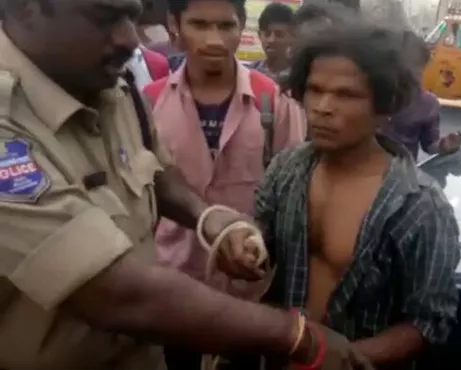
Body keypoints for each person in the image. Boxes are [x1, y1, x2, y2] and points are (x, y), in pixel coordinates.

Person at [0, 1, 372, 369]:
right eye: (105, 17)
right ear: (25, 9)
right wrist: (296, 336)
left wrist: (208, 217)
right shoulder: (10, 123)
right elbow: (110, 291)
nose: (131, 38)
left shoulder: (113, 88)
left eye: (132, 16)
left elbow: (155, 169)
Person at [255, 24, 461, 369]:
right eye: (314, 90)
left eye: (346, 95)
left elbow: (430, 321)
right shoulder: (287, 168)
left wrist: (340, 359)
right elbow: (264, 238)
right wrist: (245, 243)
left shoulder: (420, 206)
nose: (323, 107)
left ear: (384, 105)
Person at [142, 0, 305, 367]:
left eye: (225, 26)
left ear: (241, 26)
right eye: (199, 24)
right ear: (175, 25)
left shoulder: (274, 100)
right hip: (172, 283)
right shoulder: (149, 102)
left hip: (248, 290)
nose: (214, 39)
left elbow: (294, 194)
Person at [381, 30, 461, 160]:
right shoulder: (367, 94)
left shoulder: (428, 104)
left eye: (416, 67)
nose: (408, 73)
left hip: (402, 175)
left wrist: (445, 146)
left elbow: (430, 145)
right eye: (402, 66)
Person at [250, 2, 295, 83]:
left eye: (279, 34)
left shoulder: (300, 76)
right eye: (267, 34)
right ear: (259, 35)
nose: (271, 40)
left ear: (293, 37)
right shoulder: (249, 73)